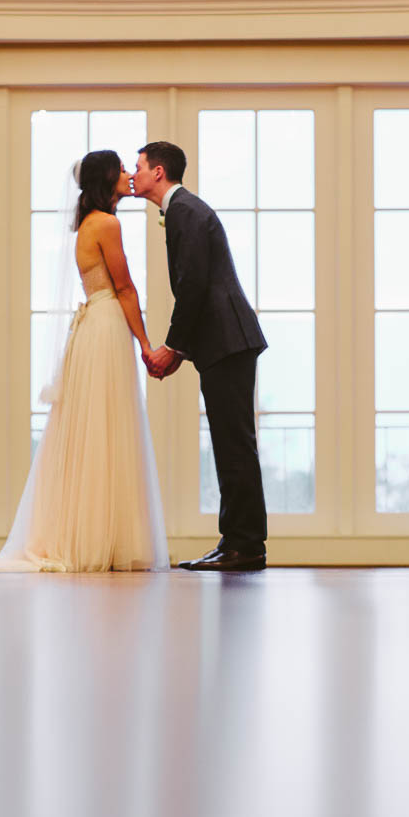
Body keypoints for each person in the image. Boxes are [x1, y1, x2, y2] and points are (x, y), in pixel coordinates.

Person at [0, 150, 167, 572]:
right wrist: (145, 344)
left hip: (91, 328)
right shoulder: (107, 223)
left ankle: (90, 534)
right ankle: (107, 539)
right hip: (105, 326)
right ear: (106, 177)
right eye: (120, 168)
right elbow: (125, 289)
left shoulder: (86, 225)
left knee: (92, 430)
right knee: (107, 428)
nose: (126, 174)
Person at [134, 141, 268, 572]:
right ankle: (236, 541)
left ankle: (245, 545)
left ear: (158, 172)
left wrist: (172, 348)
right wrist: (181, 349)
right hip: (221, 342)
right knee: (230, 444)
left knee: (234, 444)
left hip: (226, 340)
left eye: (137, 167)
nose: (133, 175)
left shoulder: (184, 211)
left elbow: (192, 285)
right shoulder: (183, 210)